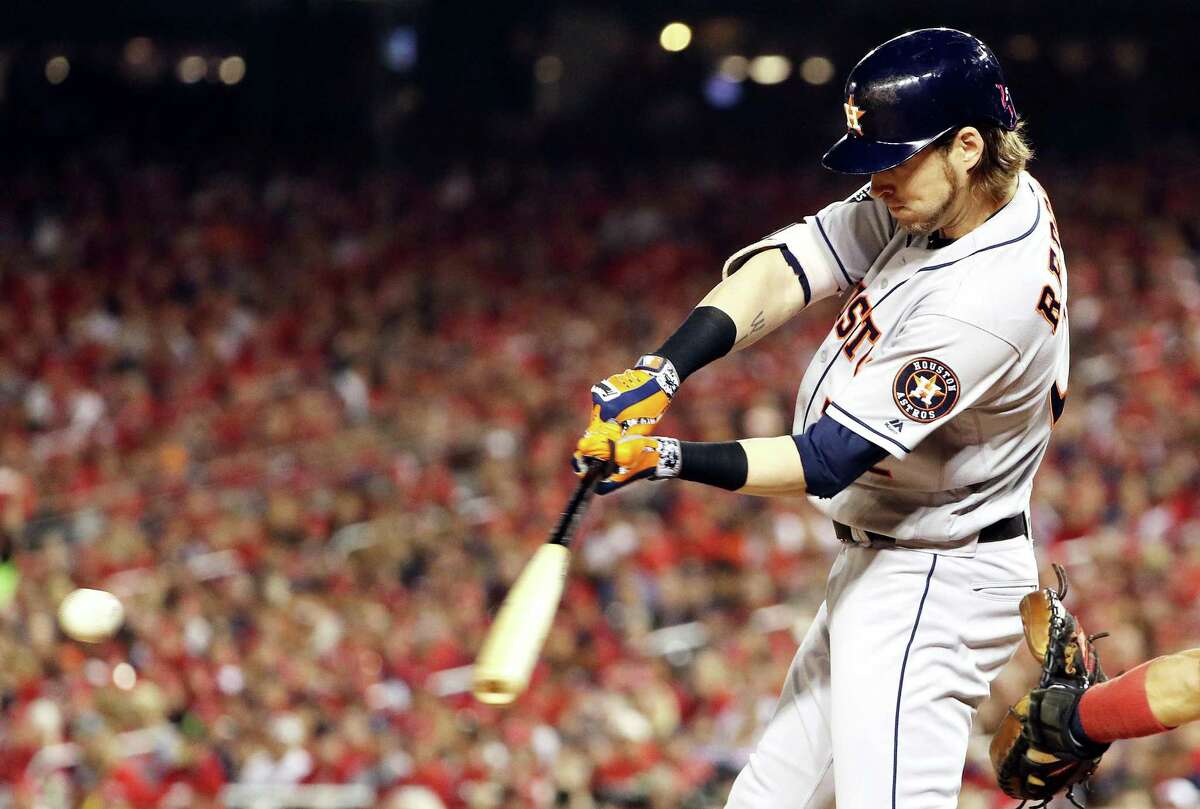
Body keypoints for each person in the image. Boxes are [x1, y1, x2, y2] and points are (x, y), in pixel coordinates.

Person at [575, 28, 1064, 809]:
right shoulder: (963, 198)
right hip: (893, 557)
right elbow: (792, 268)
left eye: (895, 157)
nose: (878, 181)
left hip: (935, 581)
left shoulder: (987, 299)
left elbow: (829, 458)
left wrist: (666, 458)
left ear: (968, 145)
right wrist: (662, 367)